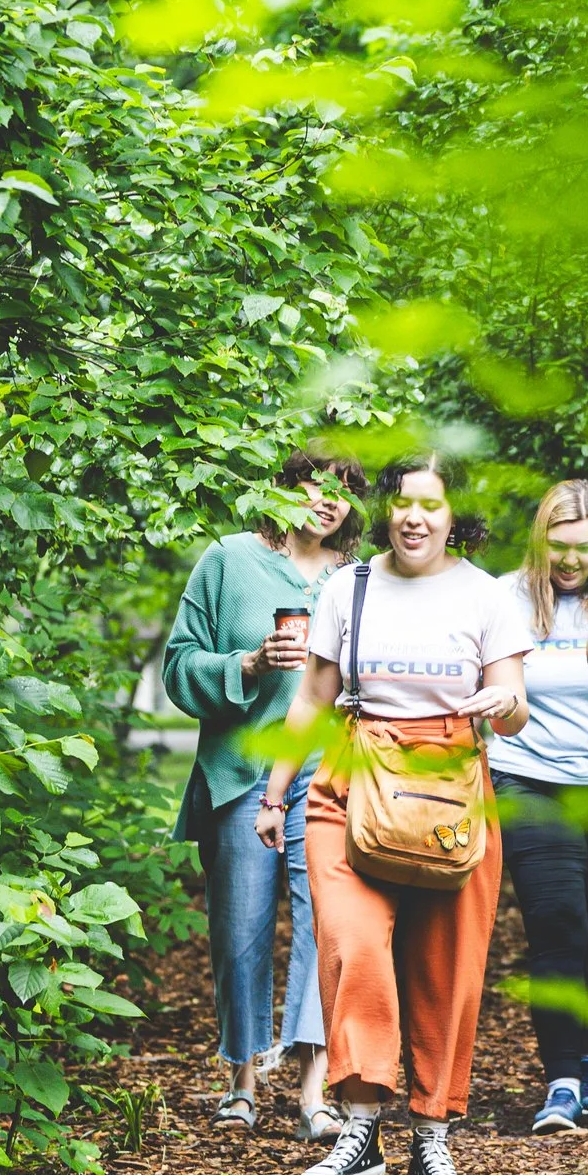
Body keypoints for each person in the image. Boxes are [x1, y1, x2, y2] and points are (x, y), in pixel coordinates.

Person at [261, 454, 533, 1175]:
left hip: (451, 796)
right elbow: (314, 694)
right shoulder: (346, 588)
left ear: (455, 516)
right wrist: (274, 792)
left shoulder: (485, 594)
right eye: (405, 503)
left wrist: (499, 704)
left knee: (448, 967)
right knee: (353, 948)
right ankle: (359, 1124)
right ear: (388, 511)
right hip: (350, 784)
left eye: (433, 505)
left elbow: (516, 699)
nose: (416, 517)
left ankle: (432, 1137)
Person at [162, 448, 365, 1139]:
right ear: (283, 490)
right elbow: (177, 664)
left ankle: (314, 1089)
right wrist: (245, 662)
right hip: (245, 770)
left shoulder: (357, 577)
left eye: (344, 489)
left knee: (324, 924)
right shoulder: (227, 560)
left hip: (333, 770)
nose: (329, 499)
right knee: (241, 927)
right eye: (316, 483)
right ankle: (242, 1080)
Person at [489, 480, 588, 1134]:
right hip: (530, 778)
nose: (571, 560)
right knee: (558, 922)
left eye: (583, 547)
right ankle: (560, 1079)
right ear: (539, 540)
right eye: (559, 547)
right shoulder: (506, 598)